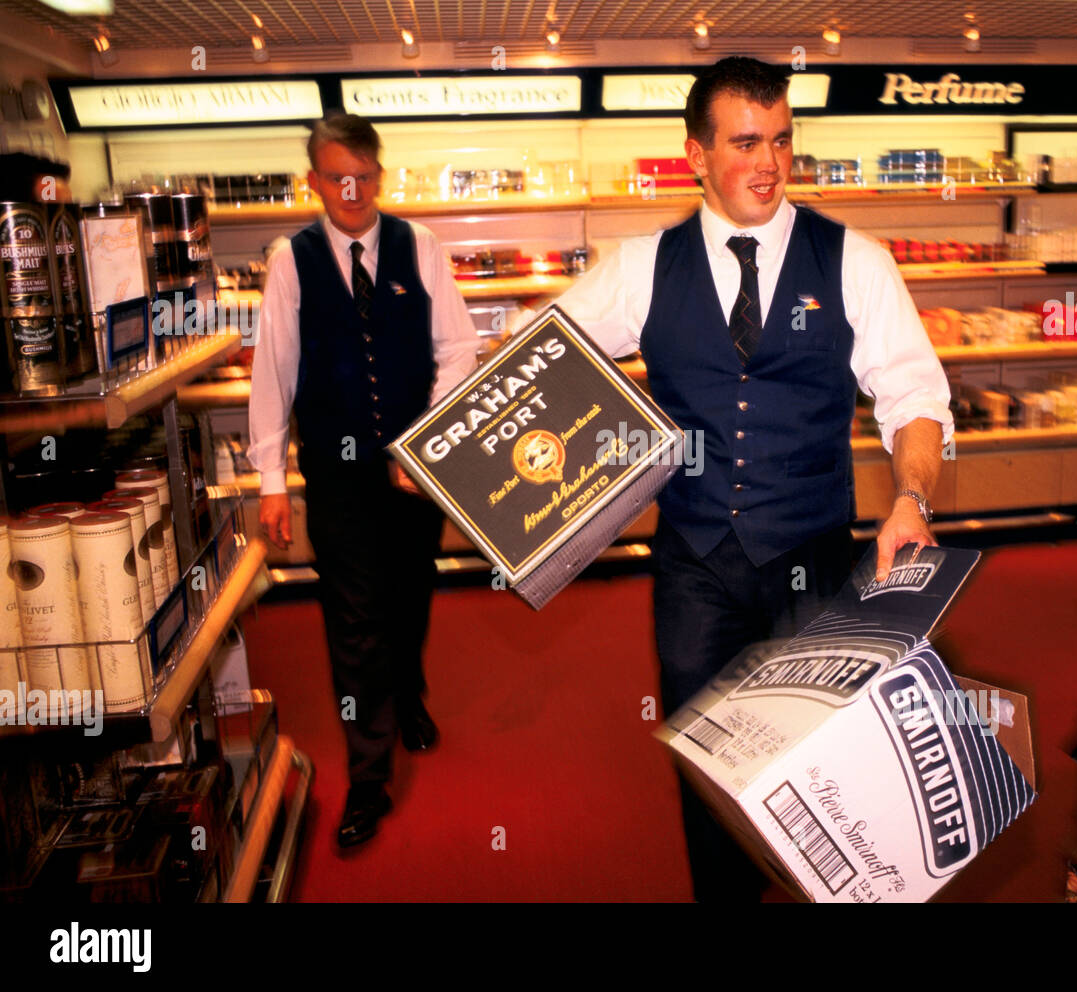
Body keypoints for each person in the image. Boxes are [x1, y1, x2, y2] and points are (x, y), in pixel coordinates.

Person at [548, 57, 954, 900]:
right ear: (695, 153)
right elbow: (541, 362)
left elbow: (916, 396)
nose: (767, 163)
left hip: (812, 555)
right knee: (706, 761)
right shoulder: (640, 266)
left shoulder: (854, 261)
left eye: (780, 140)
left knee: (820, 767)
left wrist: (911, 496)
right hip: (693, 563)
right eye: (744, 143)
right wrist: (454, 453)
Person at [249, 113, 479, 849]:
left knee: (410, 596)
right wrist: (270, 477)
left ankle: (408, 692)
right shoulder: (293, 259)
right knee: (353, 622)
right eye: (335, 176)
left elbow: (458, 349)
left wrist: (429, 439)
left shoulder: (423, 247)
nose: (351, 189)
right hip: (338, 477)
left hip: (416, 475)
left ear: (380, 176)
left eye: (364, 175)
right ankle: (368, 778)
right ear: (313, 181)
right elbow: (274, 369)